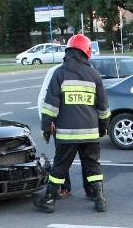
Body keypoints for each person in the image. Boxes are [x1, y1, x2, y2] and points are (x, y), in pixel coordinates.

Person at [34, 34, 111, 213]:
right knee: (93, 166)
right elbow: (104, 107)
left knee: (60, 167)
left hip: (67, 134)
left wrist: (47, 127)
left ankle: (49, 200)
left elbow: (50, 104)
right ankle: (100, 200)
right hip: (90, 133)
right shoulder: (94, 74)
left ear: (68, 51)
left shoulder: (59, 73)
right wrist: (102, 128)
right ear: (86, 51)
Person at [36, 63, 92, 200]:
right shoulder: (56, 71)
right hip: (62, 124)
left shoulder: (88, 70)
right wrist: (48, 122)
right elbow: (45, 97)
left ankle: (91, 189)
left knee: (87, 159)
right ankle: (65, 188)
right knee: (62, 159)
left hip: (83, 123)